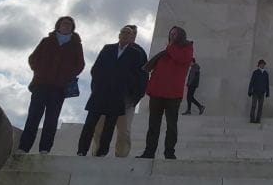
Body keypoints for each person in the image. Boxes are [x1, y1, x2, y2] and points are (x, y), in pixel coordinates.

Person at [76, 25, 148, 156]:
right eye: (123, 32)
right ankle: (89, 151)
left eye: (130, 33)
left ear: (134, 36)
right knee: (95, 125)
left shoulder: (138, 53)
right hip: (101, 93)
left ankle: (119, 155)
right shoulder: (108, 48)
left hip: (123, 97)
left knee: (121, 128)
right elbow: (96, 69)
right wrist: (98, 87)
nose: (126, 35)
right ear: (119, 34)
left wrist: (134, 95)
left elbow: (141, 76)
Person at [18, 16, 84, 154]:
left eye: (69, 24)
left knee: (51, 119)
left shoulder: (76, 44)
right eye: (63, 24)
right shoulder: (47, 41)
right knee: (33, 117)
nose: (66, 26)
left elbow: (80, 64)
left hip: (59, 88)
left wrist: (66, 76)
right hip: (40, 85)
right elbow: (33, 58)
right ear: (58, 26)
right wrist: (40, 71)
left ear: (72, 28)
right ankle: (23, 147)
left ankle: (45, 148)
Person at [136, 26, 193, 159]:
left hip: (173, 94)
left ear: (181, 36)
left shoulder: (186, 49)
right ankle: (149, 151)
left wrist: (170, 47)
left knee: (171, 125)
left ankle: (169, 152)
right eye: (171, 33)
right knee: (153, 125)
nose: (172, 36)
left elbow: (182, 59)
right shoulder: (165, 52)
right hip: (157, 92)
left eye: (175, 34)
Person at [248, 59, 270, 123]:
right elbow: (251, 82)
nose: (262, 65)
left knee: (260, 107)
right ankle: (252, 119)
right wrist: (249, 91)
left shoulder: (266, 73)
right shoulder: (255, 72)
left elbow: (267, 83)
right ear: (259, 65)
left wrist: (268, 92)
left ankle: (258, 120)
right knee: (253, 106)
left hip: (262, 93)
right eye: (261, 64)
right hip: (255, 92)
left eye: (263, 64)